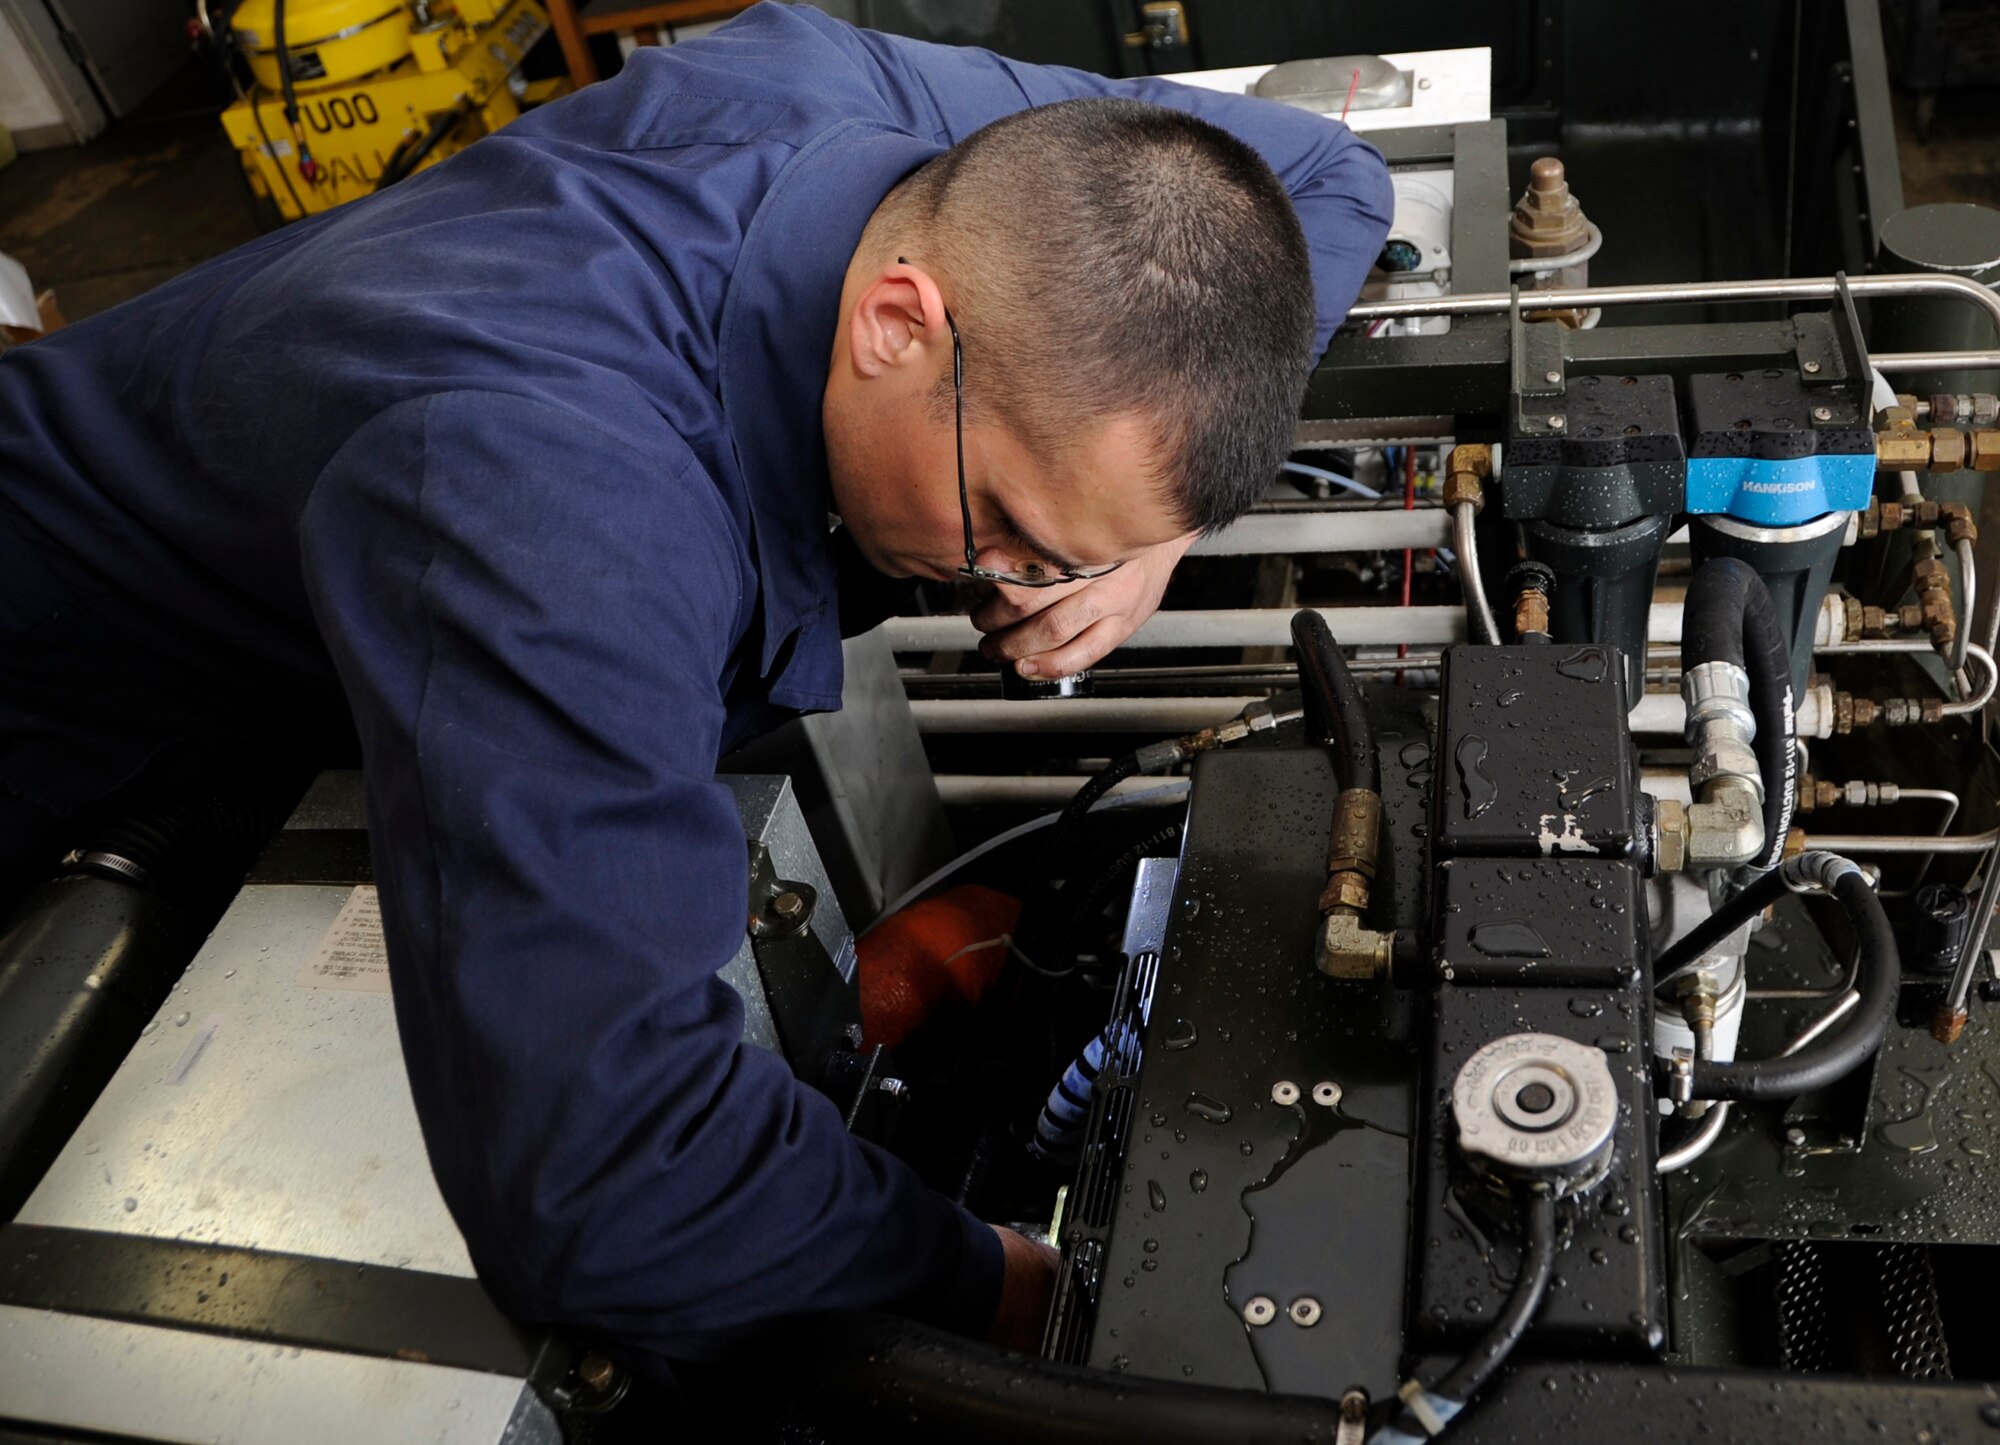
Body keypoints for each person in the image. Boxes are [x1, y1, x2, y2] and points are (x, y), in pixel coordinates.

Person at [0, 2, 1390, 1370]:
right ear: (900, 323)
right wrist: (992, 1281)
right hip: (67, 706)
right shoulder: (559, 496)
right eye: (1007, 524)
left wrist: (1148, 529)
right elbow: (605, 1175)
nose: (1024, 589)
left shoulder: (876, 114)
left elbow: (1331, 175)